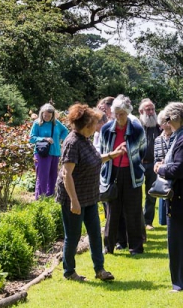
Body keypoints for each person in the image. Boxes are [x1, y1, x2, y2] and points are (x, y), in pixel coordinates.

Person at [56, 103, 125, 282]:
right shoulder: (72, 143)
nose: (97, 126)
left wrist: (112, 155)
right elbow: (67, 175)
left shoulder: (85, 140)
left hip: (90, 196)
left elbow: (93, 159)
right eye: (95, 123)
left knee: (95, 233)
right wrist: (74, 201)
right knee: (73, 236)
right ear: (86, 125)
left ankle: (100, 270)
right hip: (74, 197)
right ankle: (69, 272)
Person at [154, 102, 183, 292]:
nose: (164, 124)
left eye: (166, 119)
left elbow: (179, 169)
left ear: (174, 118)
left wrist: (160, 168)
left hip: (181, 196)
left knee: (179, 242)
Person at [100, 95, 147, 256]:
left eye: (122, 114)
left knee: (133, 210)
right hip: (113, 172)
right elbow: (103, 152)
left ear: (127, 113)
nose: (119, 117)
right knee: (113, 210)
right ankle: (109, 246)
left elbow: (143, 151)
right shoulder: (106, 129)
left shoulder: (136, 129)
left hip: (132, 173)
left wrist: (133, 161)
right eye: (116, 114)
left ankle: (136, 247)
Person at [30, 103, 69, 200]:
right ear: (41, 113)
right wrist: (44, 139)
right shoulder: (37, 123)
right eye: (45, 115)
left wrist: (61, 139)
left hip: (55, 152)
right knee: (42, 177)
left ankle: (50, 196)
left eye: (49, 116)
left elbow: (65, 131)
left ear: (52, 115)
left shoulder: (56, 123)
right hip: (42, 153)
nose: (46, 117)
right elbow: (31, 138)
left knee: (53, 176)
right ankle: (40, 199)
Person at [139, 99, 162, 230]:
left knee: (151, 194)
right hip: (139, 164)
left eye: (152, 109)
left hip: (153, 164)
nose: (151, 112)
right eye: (148, 109)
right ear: (141, 111)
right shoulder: (136, 125)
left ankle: (148, 222)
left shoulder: (158, 126)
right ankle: (137, 221)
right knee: (136, 193)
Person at [153, 110, 173, 226]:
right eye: (164, 122)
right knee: (162, 194)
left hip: (172, 170)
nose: (167, 124)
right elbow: (156, 157)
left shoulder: (177, 137)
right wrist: (156, 166)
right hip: (161, 173)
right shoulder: (158, 140)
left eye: (168, 121)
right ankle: (163, 220)